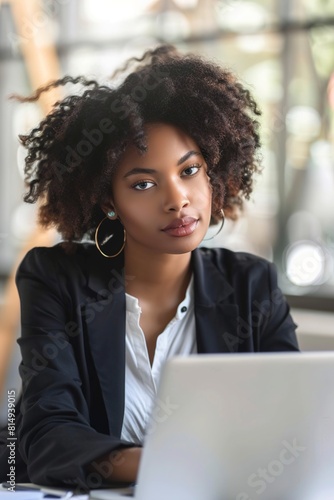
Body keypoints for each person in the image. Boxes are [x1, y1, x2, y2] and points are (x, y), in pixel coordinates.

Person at [0, 44, 298, 489]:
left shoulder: (252, 285)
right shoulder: (56, 278)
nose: (177, 199)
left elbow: (295, 422)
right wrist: (183, 464)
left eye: (190, 170)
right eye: (143, 183)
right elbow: (49, 441)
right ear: (108, 200)